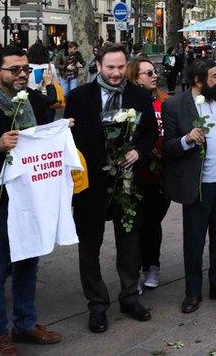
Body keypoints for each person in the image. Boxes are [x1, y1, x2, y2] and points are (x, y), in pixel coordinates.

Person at [65, 43, 157, 334]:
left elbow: (150, 133)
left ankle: (130, 297)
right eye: (110, 67)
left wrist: (138, 152)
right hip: (90, 187)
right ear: (98, 66)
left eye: (120, 67)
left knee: (129, 244)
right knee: (89, 247)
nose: (116, 73)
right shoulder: (78, 97)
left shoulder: (140, 95)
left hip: (128, 184)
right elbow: (70, 141)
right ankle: (97, 305)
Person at [0, 46, 62, 355]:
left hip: (30, 197)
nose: (23, 74)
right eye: (15, 69)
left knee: (28, 261)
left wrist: (60, 132)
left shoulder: (37, 102)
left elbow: (47, 136)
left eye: (26, 68)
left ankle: (25, 324)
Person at [162, 59, 216, 314]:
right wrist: (187, 140)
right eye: (213, 76)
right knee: (195, 241)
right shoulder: (174, 105)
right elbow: (167, 147)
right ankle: (193, 292)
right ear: (198, 81)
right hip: (199, 185)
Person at [126, 58, 171, 292]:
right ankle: (134, 272)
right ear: (135, 78)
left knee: (153, 223)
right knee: (136, 224)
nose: (154, 76)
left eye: (155, 72)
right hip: (136, 173)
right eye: (148, 73)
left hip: (161, 175)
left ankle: (152, 265)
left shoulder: (165, 100)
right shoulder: (128, 101)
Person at [26, 43, 59, 123]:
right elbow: (56, 83)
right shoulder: (51, 67)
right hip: (48, 101)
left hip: (31, 100)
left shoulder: (26, 67)